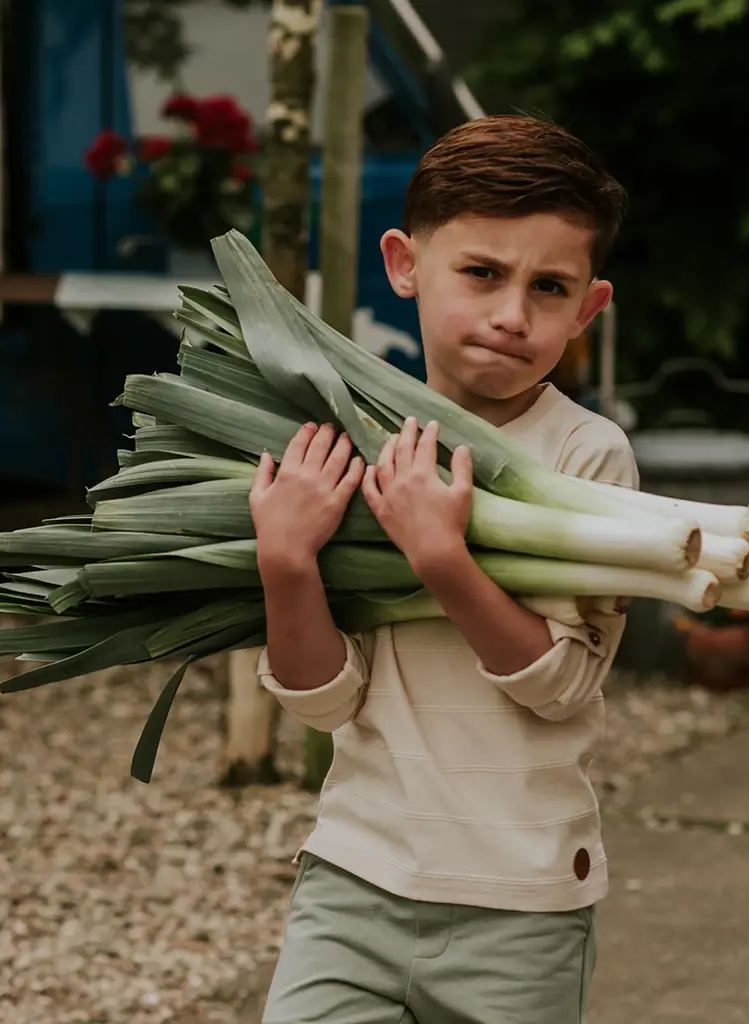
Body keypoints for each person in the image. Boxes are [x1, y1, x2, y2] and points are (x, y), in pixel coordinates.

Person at [249, 114, 635, 1024]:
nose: (512, 314)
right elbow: (324, 701)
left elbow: (565, 686)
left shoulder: (586, 457)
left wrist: (442, 560)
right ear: (403, 264)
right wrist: (284, 562)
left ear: (588, 308)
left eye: (550, 287)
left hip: (524, 904)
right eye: (482, 273)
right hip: (353, 880)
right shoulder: (341, 439)